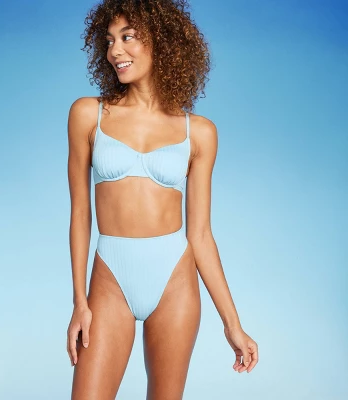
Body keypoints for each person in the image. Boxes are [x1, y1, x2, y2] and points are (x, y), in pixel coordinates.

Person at [66, 0, 259, 398]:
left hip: (174, 280)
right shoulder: (88, 114)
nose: (115, 51)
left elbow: (200, 235)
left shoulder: (199, 132)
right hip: (110, 278)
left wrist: (233, 325)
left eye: (128, 37)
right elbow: (80, 214)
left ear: (162, 41)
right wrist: (79, 302)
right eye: (109, 40)